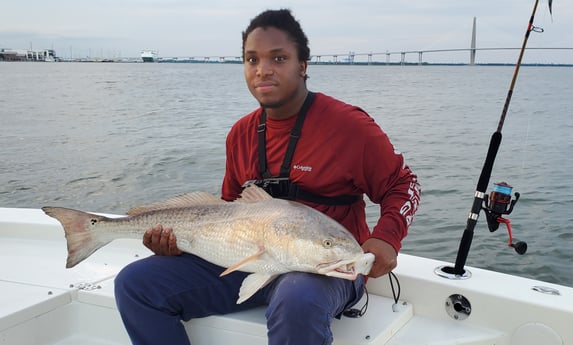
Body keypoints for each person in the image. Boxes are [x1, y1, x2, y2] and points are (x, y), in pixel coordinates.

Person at [114, 8, 420, 345]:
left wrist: (388, 237)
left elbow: (404, 185)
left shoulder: (349, 127)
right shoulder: (240, 134)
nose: (262, 70)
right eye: (251, 59)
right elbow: (228, 212)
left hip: (324, 269)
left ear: (302, 66)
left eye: (278, 58)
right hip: (252, 260)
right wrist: (180, 244)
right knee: (136, 284)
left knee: (297, 298)